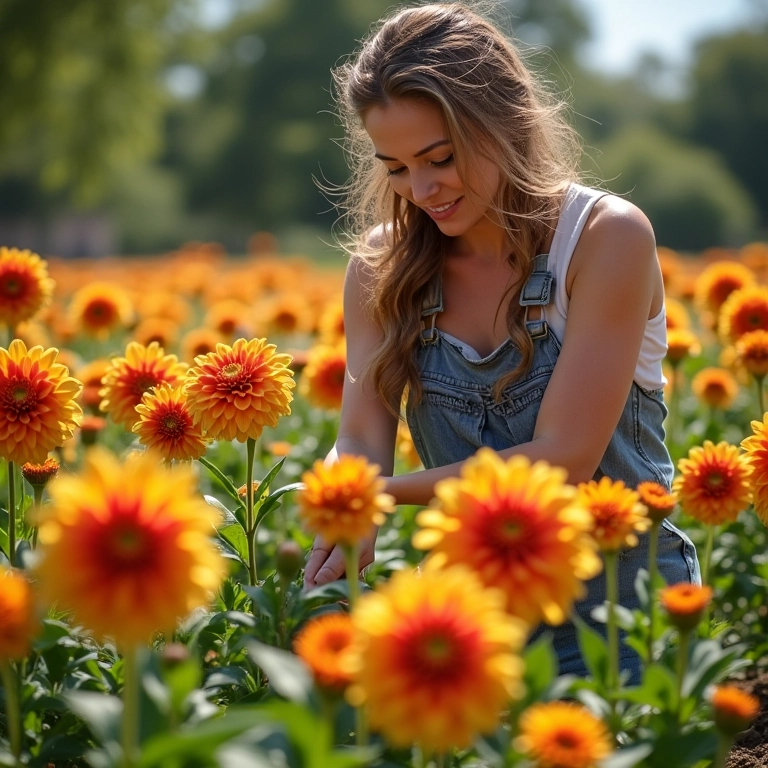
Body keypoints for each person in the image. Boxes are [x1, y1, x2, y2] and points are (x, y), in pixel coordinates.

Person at [304, 1, 700, 677]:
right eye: (396, 168)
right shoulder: (382, 264)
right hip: (467, 623)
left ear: (504, 122)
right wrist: (347, 504)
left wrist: (382, 495)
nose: (421, 189)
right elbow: (363, 426)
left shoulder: (604, 239)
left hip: (622, 618)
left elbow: (564, 459)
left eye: (440, 157)